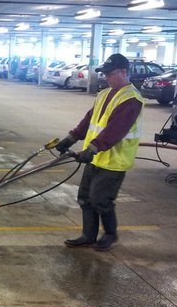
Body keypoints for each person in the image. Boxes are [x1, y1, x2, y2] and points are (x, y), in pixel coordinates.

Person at [54, 53, 143, 251]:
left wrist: (93, 147)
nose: (106, 77)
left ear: (123, 72)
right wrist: (71, 138)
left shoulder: (131, 99)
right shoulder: (104, 94)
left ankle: (111, 234)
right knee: (85, 197)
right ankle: (88, 236)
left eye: (110, 74)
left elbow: (116, 129)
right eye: (105, 74)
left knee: (100, 199)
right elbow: (90, 120)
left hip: (114, 159)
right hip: (95, 157)